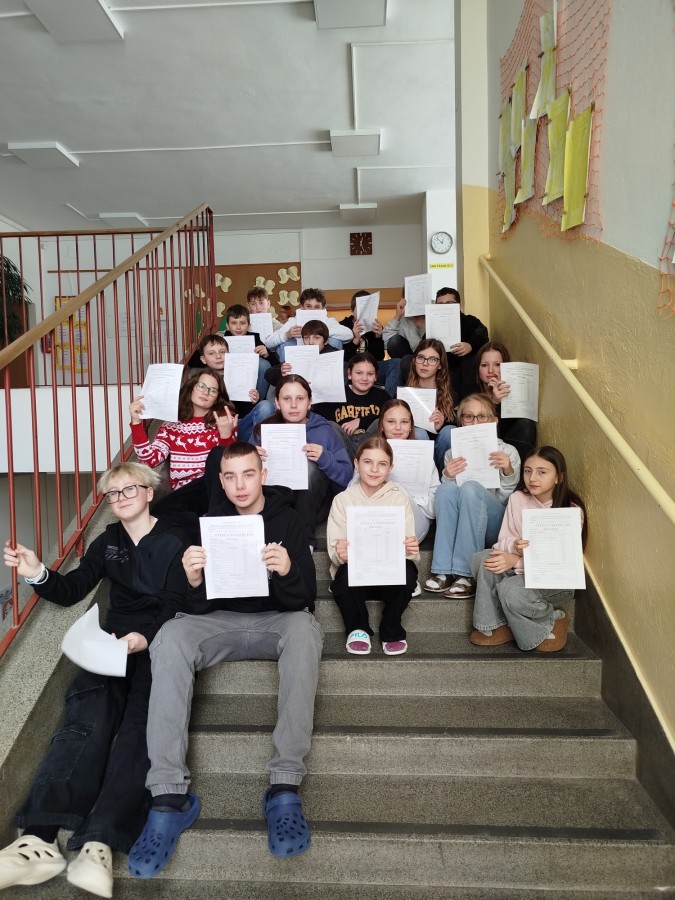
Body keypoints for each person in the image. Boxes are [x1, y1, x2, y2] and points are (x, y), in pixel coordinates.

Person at [127, 442, 322, 877]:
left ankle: (284, 784)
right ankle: (168, 795)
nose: (240, 485)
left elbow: (305, 599)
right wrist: (194, 579)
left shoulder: (288, 520)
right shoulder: (210, 523)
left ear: (262, 474)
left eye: (248, 474)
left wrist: (288, 570)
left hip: (277, 621)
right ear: (221, 480)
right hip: (219, 624)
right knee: (171, 635)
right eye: (230, 477)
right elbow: (194, 606)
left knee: (306, 631)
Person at [0, 463, 192, 898]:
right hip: (112, 645)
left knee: (141, 731)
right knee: (85, 718)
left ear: (149, 492)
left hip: (165, 641)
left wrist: (147, 637)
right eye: (113, 493)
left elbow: (180, 600)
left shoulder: (178, 536)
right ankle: (39, 839)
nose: (121, 498)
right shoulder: (108, 542)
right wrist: (36, 571)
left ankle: (99, 842)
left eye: (129, 490)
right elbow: (73, 587)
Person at [470, 446, 586, 652]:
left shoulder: (571, 510)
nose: (532, 478)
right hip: (520, 571)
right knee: (482, 559)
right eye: (527, 471)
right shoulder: (518, 498)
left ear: (559, 477)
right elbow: (502, 542)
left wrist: (516, 560)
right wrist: (513, 546)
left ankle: (550, 619)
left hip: (553, 580)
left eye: (542, 472)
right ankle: (495, 625)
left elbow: (559, 564)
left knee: (510, 591)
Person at [327, 436, 420, 656]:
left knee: (409, 574)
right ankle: (357, 627)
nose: (374, 469)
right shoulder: (343, 499)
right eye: (368, 462)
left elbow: (409, 544)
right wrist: (340, 553)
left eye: (382, 464)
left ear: (390, 468)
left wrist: (410, 548)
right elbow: (334, 548)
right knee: (343, 579)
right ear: (356, 463)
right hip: (358, 574)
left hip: (389, 573)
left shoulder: (399, 499)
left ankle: (391, 626)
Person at [424, 393, 520, 600]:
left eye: (482, 416)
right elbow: (449, 501)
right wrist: (447, 476)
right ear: (461, 421)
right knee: (445, 489)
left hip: (494, 522)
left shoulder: (508, 452)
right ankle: (443, 570)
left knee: (470, 488)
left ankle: (466, 574)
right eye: (468, 416)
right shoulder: (452, 453)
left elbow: (508, 501)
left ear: (494, 421)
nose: (475, 422)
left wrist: (507, 471)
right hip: (463, 523)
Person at [253, 374, 352, 550]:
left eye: (300, 398)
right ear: (277, 403)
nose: (293, 405)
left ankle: (305, 542)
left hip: (313, 506)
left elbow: (346, 482)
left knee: (309, 465)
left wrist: (326, 459)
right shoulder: (264, 430)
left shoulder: (325, 431)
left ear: (309, 402)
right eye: (286, 399)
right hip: (275, 503)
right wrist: (252, 460)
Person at [130, 368, 238, 491]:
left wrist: (226, 436)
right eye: (201, 386)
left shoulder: (225, 421)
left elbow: (231, 467)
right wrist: (136, 423)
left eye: (213, 390)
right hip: (183, 491)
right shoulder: (170, 426)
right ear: (191, 388)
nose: (206, 392)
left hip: (214, 486)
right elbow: (149, 460)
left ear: (217, 399)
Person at [191, 333, 276, 443]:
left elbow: (246, 412)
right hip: (213, 426)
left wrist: (254, 400)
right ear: (203, 359)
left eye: (222, 352)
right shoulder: (199, 381)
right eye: (211, 353)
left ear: (229, 354)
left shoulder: (242, 373)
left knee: (266, 406)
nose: (218, 356)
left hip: (239, 424)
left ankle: (252, 450)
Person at [461, 340, 537, 462]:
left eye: (497, 365)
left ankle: (516, 470)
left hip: (510, 443)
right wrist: (493, 402)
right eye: (484, 365)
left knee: (527, 425)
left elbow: (518, 425)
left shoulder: (514, 387)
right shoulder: (468, 390)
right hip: (479, 445)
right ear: (477, 368)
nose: (491, 371)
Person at [377, 398, 439, 542]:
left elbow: (434, 504)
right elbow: (353, 491)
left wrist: (411, 498)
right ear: (382, 426)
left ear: (411, 426)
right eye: (391, 422)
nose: (398, 428)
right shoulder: (370, 452)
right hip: (378, 517)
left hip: (415, 519)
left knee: (395, 489)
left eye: (404, 422)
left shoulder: (422, 455)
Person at [313, 352, 390, 449]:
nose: (364, 378)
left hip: (371, 448)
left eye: (370, 374)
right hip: (343, 448)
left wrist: (361, 421)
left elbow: (394, 418)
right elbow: (317, 420)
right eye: (359, 373)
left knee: (380, 421)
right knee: (331, 425)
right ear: (349, 374)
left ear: (375, 377)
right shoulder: (335, 394)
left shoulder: (382, 396)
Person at [404, 338, 457, 471]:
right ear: (414, 361)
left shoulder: (451, 396)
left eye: (432, 359)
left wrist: (438, 427)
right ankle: (426, 475)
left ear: (440, 365)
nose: (425, 363)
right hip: (414, 456)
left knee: (449, 431)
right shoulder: (403, 394)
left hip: (441, 455)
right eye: (421, 357)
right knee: (418, 432)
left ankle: (442, 476)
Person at [264, 288, 353, 361]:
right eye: (309, 306)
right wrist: (286, 335)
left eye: (317, 307)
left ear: (323, 309)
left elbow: (349, 335)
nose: (312, 310)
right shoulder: (294, 321)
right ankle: (288, 374)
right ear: (302, 307)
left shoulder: (328, 321)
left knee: (335, 340)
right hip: (299, 359)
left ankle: (331, 369)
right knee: (285, 343)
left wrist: (323, 331)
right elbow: (268, 343)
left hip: (323, 359)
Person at [433, 287, 489, 395]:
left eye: (449, 303)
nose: (445, 308)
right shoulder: (432, 325)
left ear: (459, 306)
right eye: (440, 305)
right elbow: (424, 345)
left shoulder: (469, 321)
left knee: (470, 359)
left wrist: (470, 345)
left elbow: (482, 334)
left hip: (463, 368)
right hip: (440, 367)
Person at [219, 303, 277, 399]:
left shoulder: (254, 338)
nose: (238, 327)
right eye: (234, 323)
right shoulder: (221, 340)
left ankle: (258, 400)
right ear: (227, 326)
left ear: (249, 325)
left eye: (242, 323)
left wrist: (267, 353)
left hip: (250, 380)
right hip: (230, 380)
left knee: (263, 364)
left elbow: (276, 363)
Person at [339, 289, 385, 361]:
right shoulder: (343, 326)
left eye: (368, 308)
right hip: (351, 364)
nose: (364, 312)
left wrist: (378, 338)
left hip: (371, 364)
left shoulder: (376, 327)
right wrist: (355, 339)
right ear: (352, 310)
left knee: (395, 362)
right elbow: (345, 359)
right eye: (361, 308)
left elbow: (379, 358)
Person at [382, 293, 425, 359]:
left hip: (430, 359)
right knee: (394, 340)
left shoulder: (432, 316)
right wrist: (398, 316)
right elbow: (386, 343)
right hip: (408, 360)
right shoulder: (402, 320)